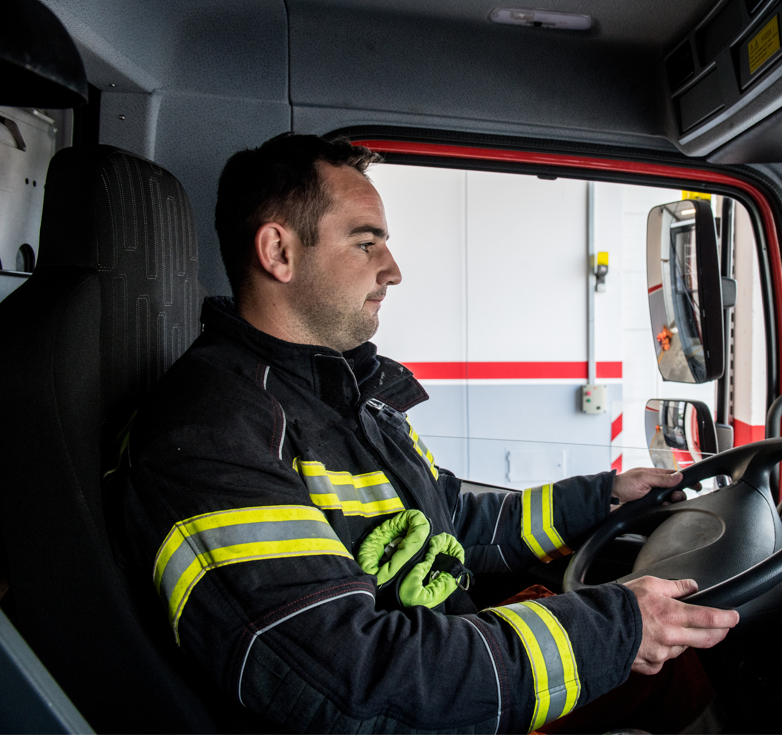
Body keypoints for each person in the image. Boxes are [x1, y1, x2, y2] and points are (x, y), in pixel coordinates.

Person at [116, 133, 739, 733]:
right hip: (416, 704)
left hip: (441, 657)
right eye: (366, 244)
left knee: (668, 671)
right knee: (660, 670)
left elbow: (452, 524)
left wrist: (602, 495)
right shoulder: (212, 438)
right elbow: (352, 683)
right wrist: (615, 629)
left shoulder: (347, 396)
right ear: (278, 252)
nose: (392, 271)